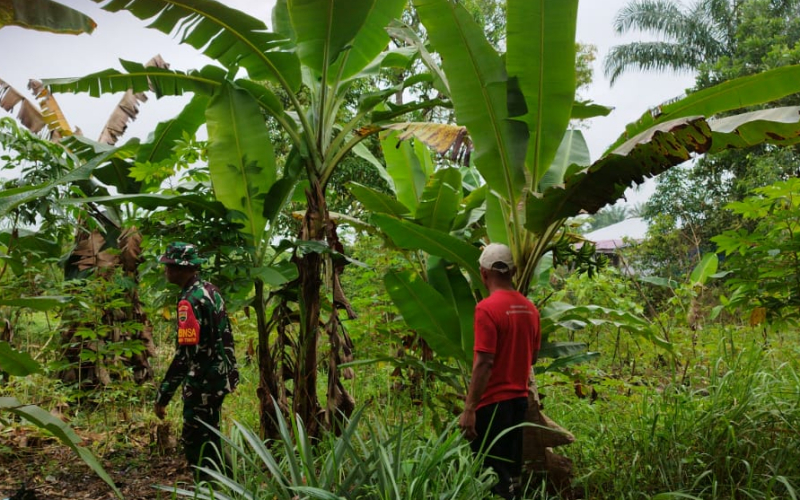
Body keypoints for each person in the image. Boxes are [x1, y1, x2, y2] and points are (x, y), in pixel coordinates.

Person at [459, 243, 541, 499]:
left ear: (483, 273)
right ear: (513, 272)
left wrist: (469, 409)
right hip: (518, 403)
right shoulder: (531, 309)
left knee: (490, 477)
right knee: (512, 474)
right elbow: (533, 357)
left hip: (491, 406)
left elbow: (484, 362)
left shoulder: (486, 308)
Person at [155, 242, 239, 478]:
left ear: (181, 269)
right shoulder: (210, 290)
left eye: (169, 266)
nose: (166, 270)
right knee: (211, 433)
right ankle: (231, 484)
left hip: (203, 381)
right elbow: (226, 336)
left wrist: (163, 395)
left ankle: (208, 487)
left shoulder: (189, 301)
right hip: (220, 375)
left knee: (195, 441)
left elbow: (185, 354)